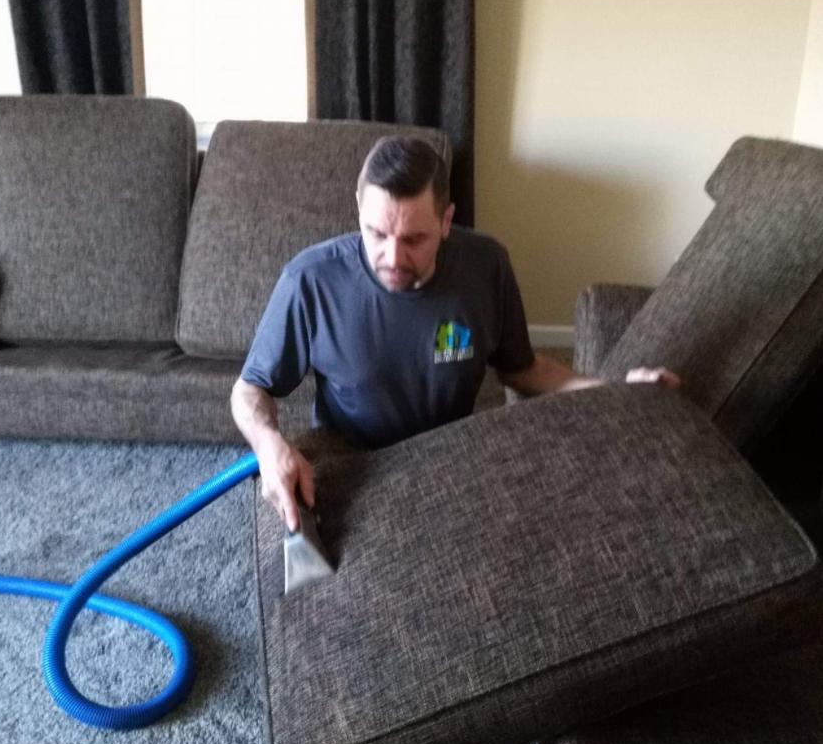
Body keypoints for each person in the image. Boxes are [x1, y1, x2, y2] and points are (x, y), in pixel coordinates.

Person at [230, 136, 680, 532]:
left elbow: (523, 371)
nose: (391, 256)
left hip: (454, 461)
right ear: (359, 209)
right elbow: (250, 389)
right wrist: (269, 445)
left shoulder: (487, 267)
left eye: (414, 239)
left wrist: (620, 392)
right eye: (376, 232)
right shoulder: (311, 280)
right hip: (355, 465)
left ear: (446, 221)